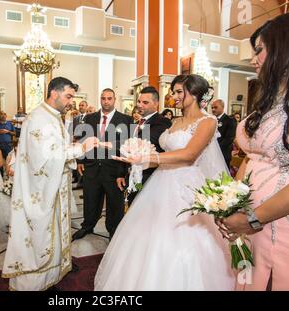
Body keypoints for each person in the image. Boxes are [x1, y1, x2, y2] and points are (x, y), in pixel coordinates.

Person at [94, 75, 235, 290]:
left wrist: (148, 158)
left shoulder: (208, 121)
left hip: (188, 186)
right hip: (160, 182)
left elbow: (189, 155)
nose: (173, 97)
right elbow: (163, 156)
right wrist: (132, 156)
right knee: (145, 237)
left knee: (184, 240)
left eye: (179, 92)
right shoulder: (175, 122)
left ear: (195, 94)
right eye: (173, 92)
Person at [217, 12, 289, 291]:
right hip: (253, 221)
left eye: (259, 50)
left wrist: (252, 218)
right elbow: (254, 157)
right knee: (248, 282)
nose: (253, 59)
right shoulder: (274, 97)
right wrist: (230, 204)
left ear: (286, 45)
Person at [2, 77, 100, 291]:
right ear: (54, 93)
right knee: (41, 234)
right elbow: (47, 155)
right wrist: (81, 148)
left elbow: (56, 146)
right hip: (40, 189)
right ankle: (35, 282)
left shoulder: (52, 116)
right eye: (68, 96)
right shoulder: (39, 118)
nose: (71, 102)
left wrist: (73, 146)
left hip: (53, 187)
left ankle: (49, 277)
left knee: (52, 230)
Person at [72, 88, 134, 241]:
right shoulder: (89, 118)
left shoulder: (126, 119)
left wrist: (122, 172)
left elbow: (127, 147)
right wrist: (81, 160)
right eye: (103, 98)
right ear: (100, 99)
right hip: (91, 167)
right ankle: (87, 225)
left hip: (114, 169)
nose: (106, 101)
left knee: (114, 203)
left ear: (114, 100)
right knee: (90, 199)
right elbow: (82, 140)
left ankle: (113, 230)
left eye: (109, 98)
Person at [117, 86, 171, 205]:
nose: (140, 105)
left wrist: (110, 144)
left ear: (156, 103)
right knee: (132, 204)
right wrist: (121, 173)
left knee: (143, 206)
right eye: (139, 101)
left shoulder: (162, 122)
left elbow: (141, 143)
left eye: (145, 102)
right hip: (133, 173)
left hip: (149, 175)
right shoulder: (137, 123)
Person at [211, 99, 237, 167]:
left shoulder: (230, 120)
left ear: (222, 107)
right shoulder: (211, 120)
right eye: (212, 107)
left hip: (223, 153)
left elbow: (229, 138)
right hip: (211, 155)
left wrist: (215, 148)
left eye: (215, 107)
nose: (213, 109)